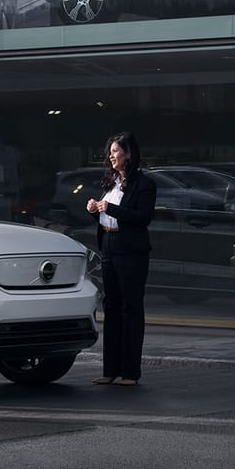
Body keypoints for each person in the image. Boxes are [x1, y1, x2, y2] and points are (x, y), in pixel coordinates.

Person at [86, 132, 157, 387]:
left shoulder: (144, 184)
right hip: (109, 244)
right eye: (110, 151)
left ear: (128, 154)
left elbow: (142, 217)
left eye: (115, 151)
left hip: (131, 250)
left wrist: (111, 208)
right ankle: (110, 370)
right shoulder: (111, 182)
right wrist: (95, 211)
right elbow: (108, 216)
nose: (111, 156)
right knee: (112, 307)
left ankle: (130, 373)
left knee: (131, 308)